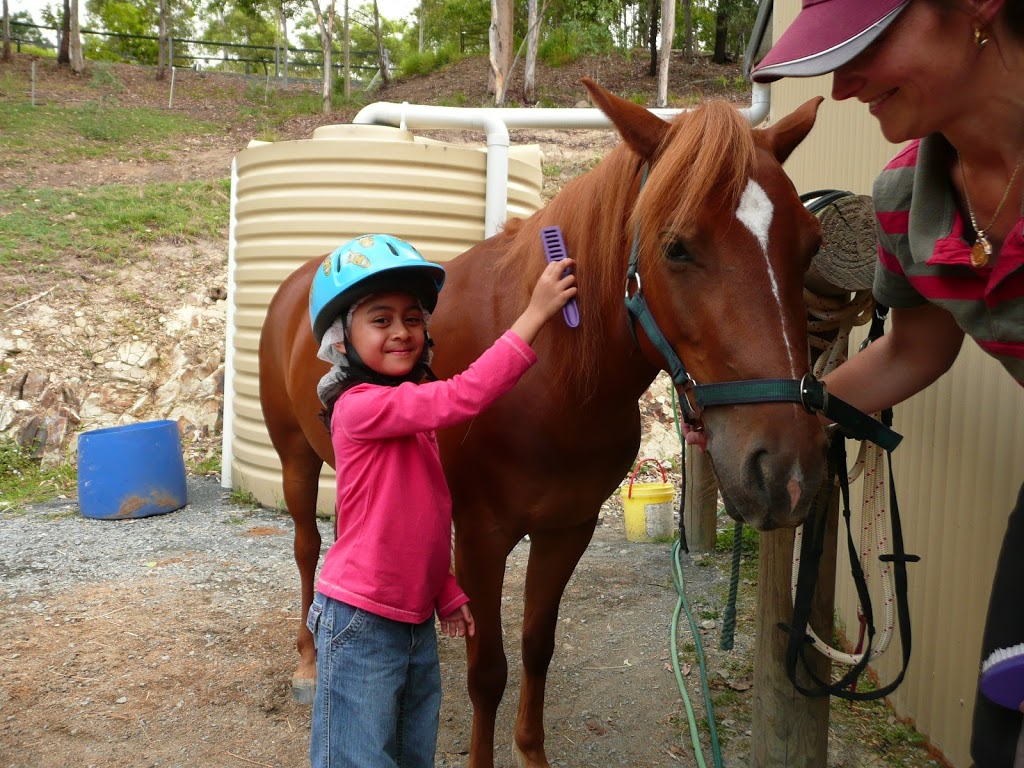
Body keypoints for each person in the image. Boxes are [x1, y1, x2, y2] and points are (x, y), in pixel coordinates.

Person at [682, 1, 1024, 764]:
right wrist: (781, 413)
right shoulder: (909, 200)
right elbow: (913, 352)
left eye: (867, 42)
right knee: (999, 735)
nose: (840, 89)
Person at [304, 233, 577, 768]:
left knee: (410, 754)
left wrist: (445, 587)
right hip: (358, 621)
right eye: (380, 320)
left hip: (410, 622)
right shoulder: (360, 407)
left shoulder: (409, 415)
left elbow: (422, 515)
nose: (402, 332)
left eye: (412, 318)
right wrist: (536, 312)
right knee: (357, 758)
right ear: (341, 339)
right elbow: (465, 394)